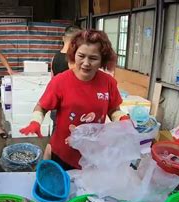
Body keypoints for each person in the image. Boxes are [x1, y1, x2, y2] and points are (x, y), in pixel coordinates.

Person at [20, 30, 128, 170]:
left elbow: (113, 110)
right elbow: (42, 106)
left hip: (92, 153)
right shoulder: (60, 81)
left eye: (93, 58)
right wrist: (35, 121)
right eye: (81, 56)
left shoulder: (108, 82)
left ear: (103, 59)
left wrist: (122, 119)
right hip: (63, 153)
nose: (86, 63)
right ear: (73, 54)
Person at [45, 25, 82, 160]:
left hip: (57, 105)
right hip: (69, 107)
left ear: (63, 38)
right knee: (64, 141)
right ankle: (54, 166)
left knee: (56, 136)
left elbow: (52, 81)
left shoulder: (55, 57)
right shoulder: (73, 61)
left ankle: (47, 166)